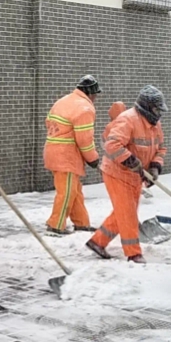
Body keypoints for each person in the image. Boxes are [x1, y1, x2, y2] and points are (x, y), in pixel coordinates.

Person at [87, 85, 168, 264]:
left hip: (136, 176)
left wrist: (155, 166)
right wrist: (131, 161)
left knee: (123, 212)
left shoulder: (155, 124)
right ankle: (133, 253)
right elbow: (112, 145)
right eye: (156, 109)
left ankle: (97, 241)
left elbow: (161, 147)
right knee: (128, 214)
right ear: (146, 107)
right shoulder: (128, 120)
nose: (159, 113)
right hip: (117, 173)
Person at [43, 75, 102, 235]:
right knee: (67, 192)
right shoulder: (84, 109)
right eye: (95, 94)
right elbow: (84, 139)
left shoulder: (64, 101)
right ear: (90, 93)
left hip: (54, 150)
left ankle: (81, 223)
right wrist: (93, 159)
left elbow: (49, 122)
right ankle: (55, 225)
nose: (96, 98)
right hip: (66, 156)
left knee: (74, 189)